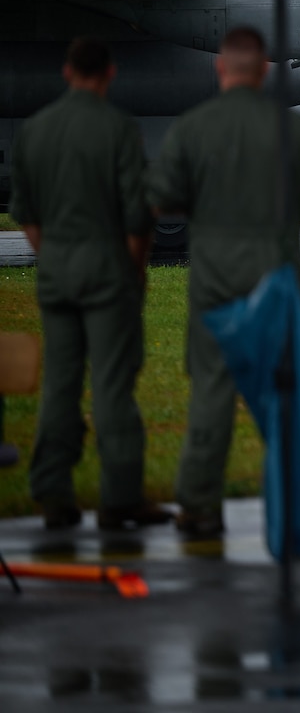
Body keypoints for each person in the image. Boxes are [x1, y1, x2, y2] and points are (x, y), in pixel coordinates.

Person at [147, 27, 300, 541]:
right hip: (274, 278)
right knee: (284, 399)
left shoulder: (193, 129)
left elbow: (162, 199)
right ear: (263, 71)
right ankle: (297, 503)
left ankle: (197, 505)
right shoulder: (289, 130)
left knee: (211, 394)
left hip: (213, 281)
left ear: (220, 68)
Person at [8, 37, 169, 531]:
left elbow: (26, 216)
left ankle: (52, 494)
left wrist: (51, 256)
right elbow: (137, 219)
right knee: (112, 386)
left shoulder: (35, 132)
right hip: (108, 275)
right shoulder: (117, 130)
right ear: (110, 73)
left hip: (57, 275)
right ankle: (120, 498)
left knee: (59, 385)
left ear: (66, 72)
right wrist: (134, 271)